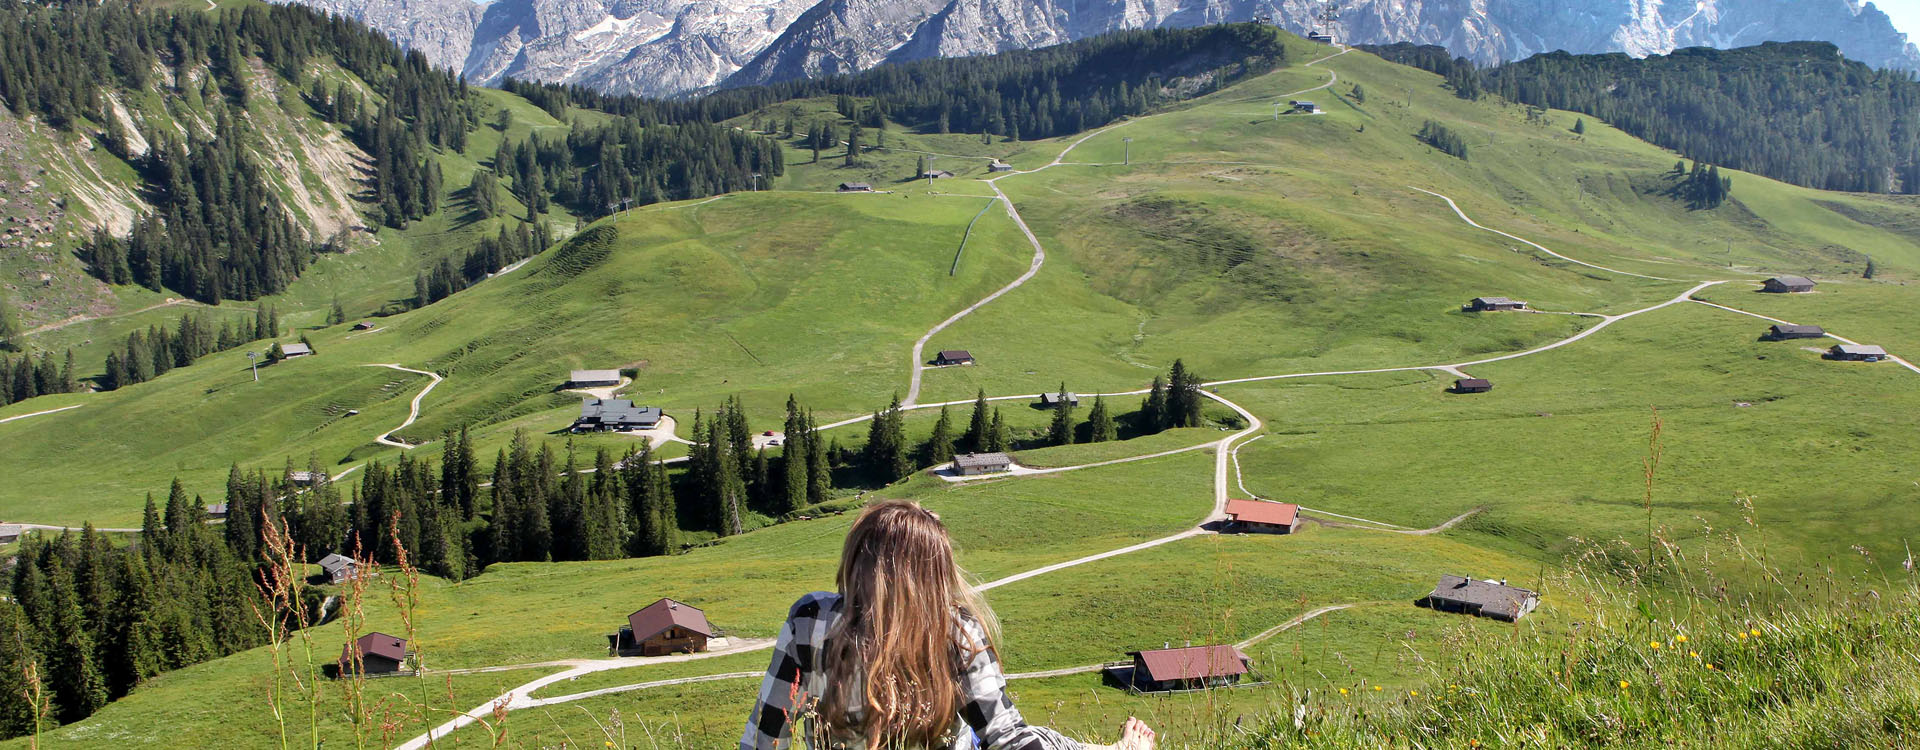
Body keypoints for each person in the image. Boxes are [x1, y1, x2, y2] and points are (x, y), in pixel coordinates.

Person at [743, 500, 1156, 750]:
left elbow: (766, 736)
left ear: (857, 561)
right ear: (936, 575)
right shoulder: (955, 633)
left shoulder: (810, 620)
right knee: (1040, 738)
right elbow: (1008, 741)